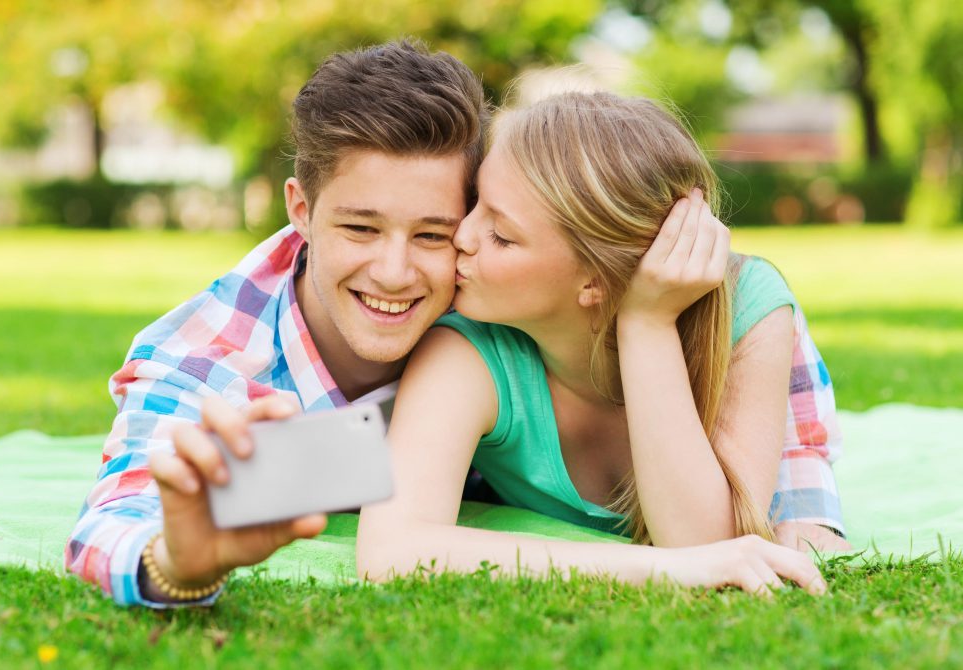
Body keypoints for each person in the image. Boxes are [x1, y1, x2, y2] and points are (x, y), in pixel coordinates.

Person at [357, 92, 848, 594]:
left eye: (501, 235)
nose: (460, 235)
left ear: (594, 283)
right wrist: (657, 571)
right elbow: (391, 548)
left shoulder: (749, 308)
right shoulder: (470, 350)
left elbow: (707, 540)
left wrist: (647, 323)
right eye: (475, 204)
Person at [64, 40, 487, 607]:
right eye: (361, 229)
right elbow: (118, 516)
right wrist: (176, 564)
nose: (393, 273)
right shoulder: (206, 361)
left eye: (432, 235)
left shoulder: (496, 304)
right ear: (301, 210)